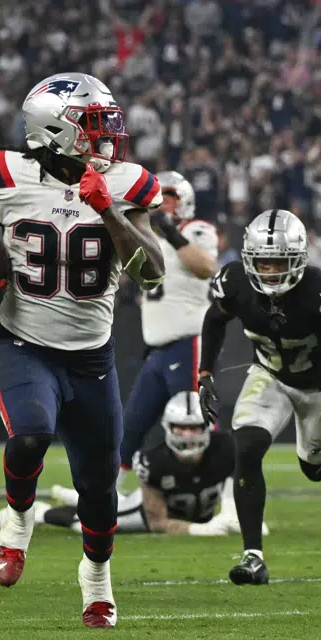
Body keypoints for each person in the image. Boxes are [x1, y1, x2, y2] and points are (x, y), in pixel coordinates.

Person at [0, 73, 165, 628]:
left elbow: (153, 274)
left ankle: (96, 580)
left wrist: (108, 210)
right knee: (30, 435)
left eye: (108, 125)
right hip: (24, 343)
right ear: (53, 132)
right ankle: (18, 519)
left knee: (99, 488)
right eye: (92, 127)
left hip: (91, 356)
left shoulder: (128, 184)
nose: (107, 139)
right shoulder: (8, 177)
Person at [198, 209, 321, 585]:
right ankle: (253, 555)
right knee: (247, 445)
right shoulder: (236, 282)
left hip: (319, 386)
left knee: (313, 465)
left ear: (299, 260)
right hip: (269, 375)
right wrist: (205, 374)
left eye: (279, 263)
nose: (270, 272)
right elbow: (214, 319)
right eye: (263, 262)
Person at [0, 392, 265, 536]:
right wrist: (201, 529)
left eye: (195, 428)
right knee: (88, 522)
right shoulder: (154, 461)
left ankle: (72, 494)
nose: (188, 436)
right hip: (148, 512)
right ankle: (40, 512)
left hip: (191, 510)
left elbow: (240, 480)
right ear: (168, 428)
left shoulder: (226, 448)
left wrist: (236, 515)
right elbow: (157, 521)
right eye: (181, 429)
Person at [118, 171, 218, 492]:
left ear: (185, 201)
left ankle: (225, 497)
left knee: (199, 426)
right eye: (159, 199)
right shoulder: (150, 238)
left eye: (170, 198)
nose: (163, 205)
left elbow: (205, 267)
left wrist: (170, 231)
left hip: (188, 344)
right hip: (158, 350)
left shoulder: (197, 230)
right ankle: (105, 495)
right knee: (130, 427)